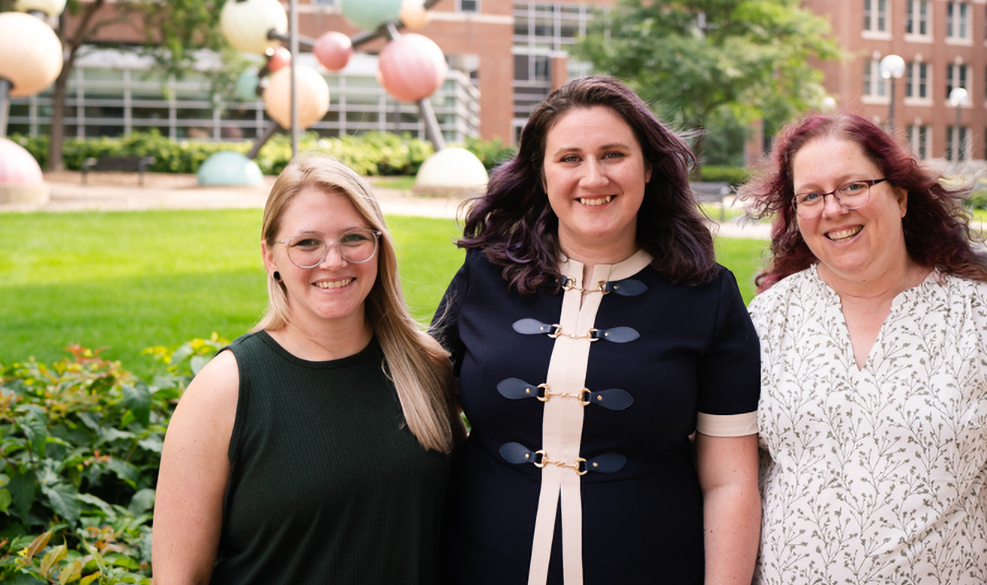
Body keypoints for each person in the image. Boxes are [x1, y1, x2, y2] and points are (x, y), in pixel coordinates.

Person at [432, 75, 761, 585]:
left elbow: (730, 482)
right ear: (542, 176)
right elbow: (418, 409)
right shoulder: (483, 277)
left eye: (613, 155)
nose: (592, 177)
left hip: (650, 566)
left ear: (648, 167)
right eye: (569, 158)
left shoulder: (708, 296)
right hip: (483, 559)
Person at [743, 113, 987, 585]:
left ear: (900, 197)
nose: (833, 209)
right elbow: (734, 484)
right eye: (811, 196)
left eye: (853, 186)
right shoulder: (765, 321)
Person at [152, 154, 462, 585]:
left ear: (379, 245)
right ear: (269, 256)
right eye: (306, 243)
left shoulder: (426, 365)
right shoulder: (225, 391)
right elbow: (178, 578)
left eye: (353, 237)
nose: (333, 261)